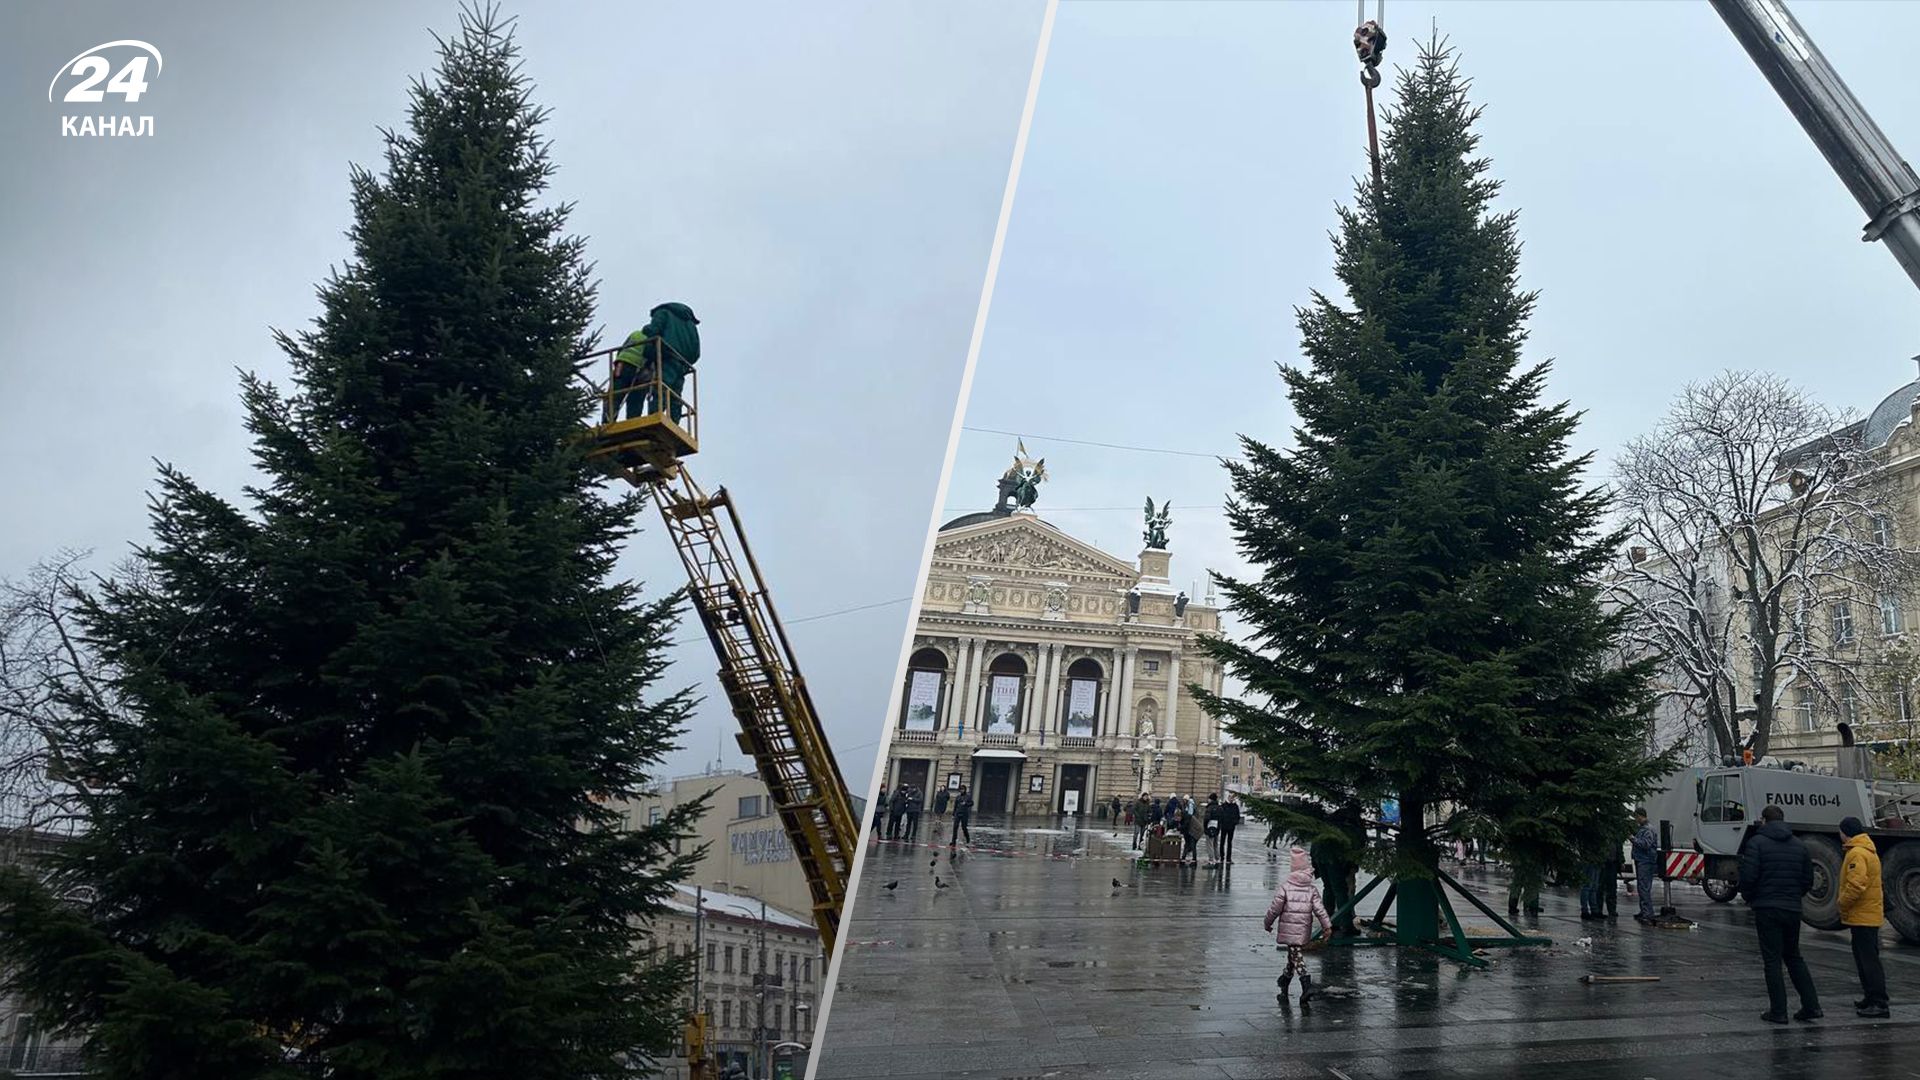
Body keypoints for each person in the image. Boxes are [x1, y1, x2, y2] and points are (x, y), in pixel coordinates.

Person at [1740, 804, 1821, 1024]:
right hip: (1792, 908)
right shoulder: (1799, 845)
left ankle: (1778, 1011)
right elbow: (1808, 879)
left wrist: (1750, 898)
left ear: (1764, 820)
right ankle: (1811, 1006)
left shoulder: (1756, 843)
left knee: (1772, 960)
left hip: (1767, 908)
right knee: (1794, 956)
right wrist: (1794, 895)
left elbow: (1748, 876)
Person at [1264, 847, 1334, 1008]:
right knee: (1294, 954)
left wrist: (1267, 923)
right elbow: (1320, 910)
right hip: (1303, 929)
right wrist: (1327, 927)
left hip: (1288, 928)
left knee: (1295, 953)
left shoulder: (1285, 888)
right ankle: (1285, 980)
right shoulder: (1311, 889)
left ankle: (1306, 985)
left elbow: (1274, 909)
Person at [1838, 816, 1890, 1018]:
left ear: (1845, 832)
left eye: (1840, 831)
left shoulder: (1857, 853)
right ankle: (1870, 997)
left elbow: (1856, 885)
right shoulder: (1867, 850)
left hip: (1862, 915)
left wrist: (1842, 903)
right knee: (1864, 958)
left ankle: (1879, 1002)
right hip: (1867, 914)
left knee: (1868, 961)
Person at [1630, 808, 1659, 922]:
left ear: (1640, 816)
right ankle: (1644, 911)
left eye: (1636, 817)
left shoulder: (1647, 829)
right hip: (1642, 860)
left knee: (1644, 887)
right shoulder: (1643, 828)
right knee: (1642, 887)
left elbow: (1645, 844)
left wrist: (1633, 839)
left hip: (1645, 861)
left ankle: (1647, 913)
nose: (1636, 820)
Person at [1218, 794, 1242, 864]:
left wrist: (1235, 822)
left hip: (1231, 827)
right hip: (1224, 826)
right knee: (1222, 842)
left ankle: (1229, 858)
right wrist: (1221, 823)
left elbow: (1238, 816)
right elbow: (1220, 815)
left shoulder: (1235, 806)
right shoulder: (1223, 805)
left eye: (1232, 798)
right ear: (1228, 798)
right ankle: (1222, 857)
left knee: (1229, 842)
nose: (1231, 799)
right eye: (1230, 797)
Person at [1204, 794, 1223, 864]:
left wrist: (1205, 826)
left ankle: (1211, 859)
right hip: (1217, 828)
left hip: (1209, 828)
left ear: (1211, 799)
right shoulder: (1219, 808)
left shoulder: (1209, 808)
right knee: (1215, 844)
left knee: (1210, 844)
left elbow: (1206, 818)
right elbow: (1222, 818)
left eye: (1209, 799)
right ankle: (1217, 858)